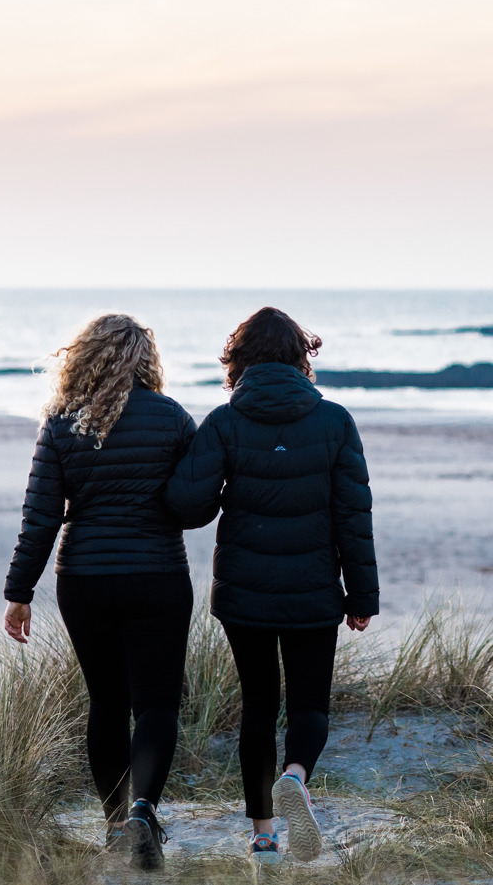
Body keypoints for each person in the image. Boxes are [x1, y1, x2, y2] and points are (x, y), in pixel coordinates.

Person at [166, 307, 378, 865]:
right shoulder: (335, 421)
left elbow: (186, 505)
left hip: (245, 592)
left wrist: (217, 488)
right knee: (311, 706)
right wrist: (362, 597)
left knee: (258, 707)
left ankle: (264, 836)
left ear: (237, 361)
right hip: (313, 592)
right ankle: (296, 776)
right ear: (301, 358)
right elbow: (353, 516)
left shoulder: (224, 421)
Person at [2, 313, 196, 872]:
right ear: (145, 360)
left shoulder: (62, 423)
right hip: (157, 574)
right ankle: (142, 813)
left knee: (107, 703)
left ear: (81, 358)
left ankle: (116, 825)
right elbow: (194, 501)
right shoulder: (172, 418)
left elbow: (40, 516)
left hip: (83, 579)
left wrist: (20, 591)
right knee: (157, 703)